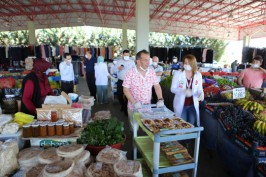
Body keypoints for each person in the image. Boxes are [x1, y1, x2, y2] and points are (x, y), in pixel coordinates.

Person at [123, 49, 164, 132]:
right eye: (145, 60)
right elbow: (125, 90)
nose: (148, 62)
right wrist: (134, 102)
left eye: (149, 60)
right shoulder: (130, 73)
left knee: (148, 129)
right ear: (138, 61)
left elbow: (157, 86)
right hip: (133, 107)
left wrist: (160, 99)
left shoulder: (151, 71)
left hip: (147, 107)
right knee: (134, 130)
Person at [170, 54, 204, 126]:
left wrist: (201, 93)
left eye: (189, 63)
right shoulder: (178, 74)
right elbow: (172, 89)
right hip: (181, 105)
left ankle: (189, 137)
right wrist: (183, 91)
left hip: (193, 105)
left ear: (193, 64)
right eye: (185, 63)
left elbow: (200, 89)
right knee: (182, 126)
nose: (186, 65)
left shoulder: (198, 75)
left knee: (191, 125)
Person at [115, 49, 135, 114]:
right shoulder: (119, 61)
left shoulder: (132, 62)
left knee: (127, 95)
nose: (126, 56)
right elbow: (113, 71)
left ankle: (126, 108)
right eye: (125, 55)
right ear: (123, 55)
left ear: (129, 55)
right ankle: (123, 105)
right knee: (119, 94)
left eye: (127, 55)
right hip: (121, 80)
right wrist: (118, 68)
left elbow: (134, 71)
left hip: (129, 81)